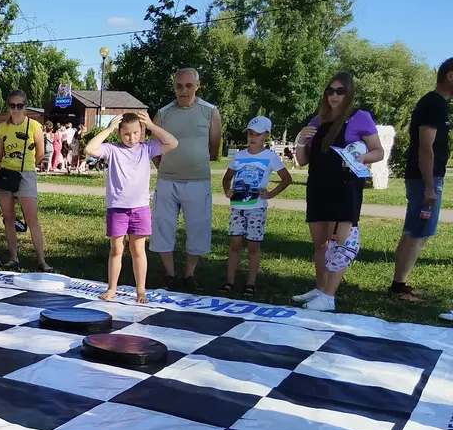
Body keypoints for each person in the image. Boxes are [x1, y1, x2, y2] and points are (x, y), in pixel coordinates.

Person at [292, 71, 384, 312]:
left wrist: (361, 158)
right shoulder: (316, 121)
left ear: (349, 92)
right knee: (320, 244)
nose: (334, 96)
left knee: (338, 241)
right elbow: (302, 161)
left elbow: (378, 151)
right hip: (318, 185)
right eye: (330, 91)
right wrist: (301, 140)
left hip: (344, 186)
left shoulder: (359, 117)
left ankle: (330, 295)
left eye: (340, 91)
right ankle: (320, 289)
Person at [85, 110, 179, 304]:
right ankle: (112, 288)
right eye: (127, 133)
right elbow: (90, 149)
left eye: (136, 133)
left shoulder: (147, 148)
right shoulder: (112, 149)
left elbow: (173, 143)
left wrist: (152, 126)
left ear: (142, 132)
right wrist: (108, 128)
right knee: (116, 248)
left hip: (140, 208)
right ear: (119, 133)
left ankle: (141, 290)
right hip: (117, 208)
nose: (132, 137)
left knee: (138, 250)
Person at [150, 68, 222, 291]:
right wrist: (167, 169)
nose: (184, 90)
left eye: (189, 86)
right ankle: (169, 275)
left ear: (197, 86)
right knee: (163, 226)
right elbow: (153, 149)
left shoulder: (210, 112)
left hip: (198, 180)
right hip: (167, 181)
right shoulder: (163, 114)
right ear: (173, 87)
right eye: (179, 86)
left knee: (198, 227)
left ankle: (189, 275)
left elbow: (214, 147)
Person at [390, 57, 452, 309]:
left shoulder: (437, 104)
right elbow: (425, 147)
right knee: (418, 232)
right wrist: (429, 185)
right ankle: (398, 286)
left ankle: (399, 283)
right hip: (425, 178)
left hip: (424, 177)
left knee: (413, 230)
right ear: (450, 76)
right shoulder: (434, 104)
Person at [221, 116, 292, 298]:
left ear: (266, 135)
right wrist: (227, 190)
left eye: (257, 134)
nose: (252, 137)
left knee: (253, 245)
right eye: (250, 134)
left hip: (257, 207)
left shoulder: (270, 157)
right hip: (237, 206)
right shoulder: (239, 155)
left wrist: (270, 193)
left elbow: (286, 179)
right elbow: (227, 177)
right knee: (235, 243)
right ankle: (229, 281)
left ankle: (250, 283)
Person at [0, 90, 52, 271]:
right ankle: (13, 257)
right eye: (12, 105)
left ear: (25, 106)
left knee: (31, 218)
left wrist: (28, 165)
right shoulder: (2, 128)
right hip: (6, 173)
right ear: (8, 107)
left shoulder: (34, 126)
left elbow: (40, 152)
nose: (16, 109)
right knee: (8, 217)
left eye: (20, 105)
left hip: (26, 173)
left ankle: (41, 259)